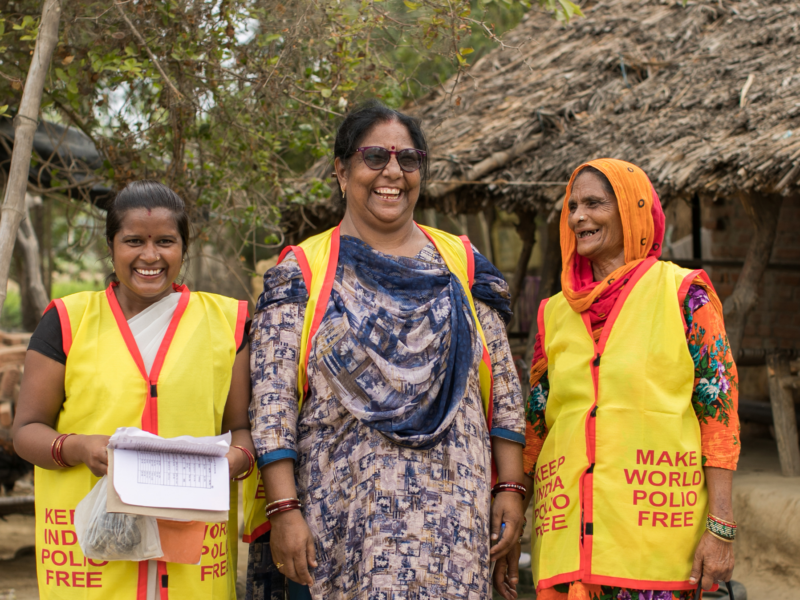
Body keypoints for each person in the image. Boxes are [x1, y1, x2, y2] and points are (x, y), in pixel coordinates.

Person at [244, 101, 527, 600]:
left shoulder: (461, 264)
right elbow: (272, 404)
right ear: (341, 170)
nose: (392, 172)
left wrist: (509, 488)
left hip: (455, 529)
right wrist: (284, 510)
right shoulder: (303, 273)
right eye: (375, 156)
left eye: (408, 159)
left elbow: (503, 386)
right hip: (345, 525)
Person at [497, 159, 740, 600]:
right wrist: (516, 510)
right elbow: (537, 425)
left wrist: (720, 526)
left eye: (594, 204)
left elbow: (718, 414)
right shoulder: (553, 313)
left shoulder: (685, 293)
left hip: (656, 539)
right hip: (570, 540)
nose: (578, 217)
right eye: (572, 207)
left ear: (632, 210)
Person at [13, 180, 255, 599]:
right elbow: (27, 430)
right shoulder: (68, 321)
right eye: (133, 241)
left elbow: (241, 428)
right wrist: (79, 447)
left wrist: (232, 462)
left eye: (165, 241)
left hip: (191, 557)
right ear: (111, 247)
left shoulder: (226, 324)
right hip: (96, 560)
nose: (150, 256)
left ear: (184, 247)